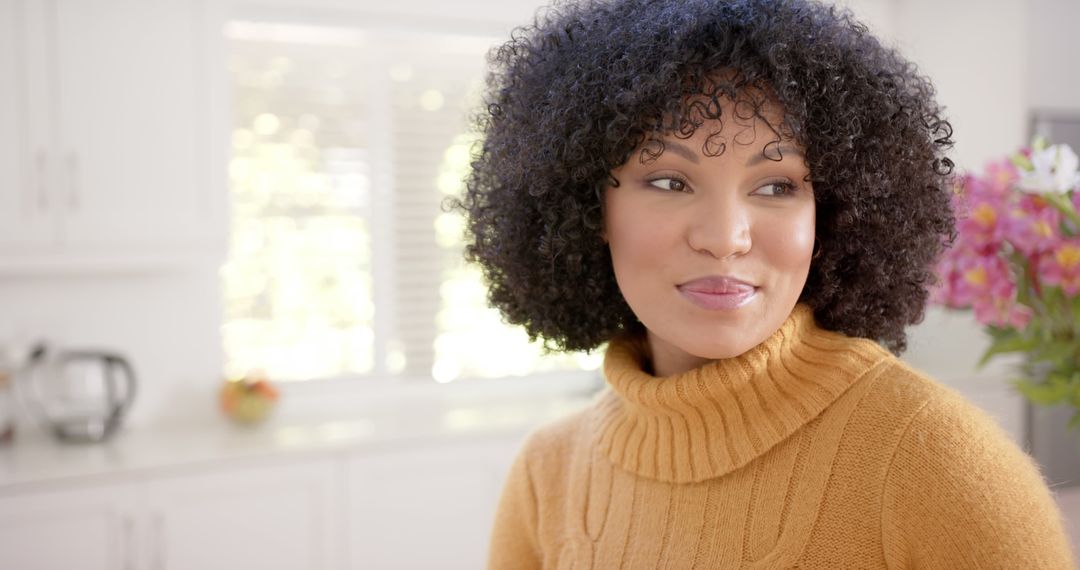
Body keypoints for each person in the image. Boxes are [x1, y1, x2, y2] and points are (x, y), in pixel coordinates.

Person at [454, 0, 1077, 567]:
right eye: (670, 181)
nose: (726, 237)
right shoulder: (548, 473)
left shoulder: (933, 459)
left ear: (831, 212)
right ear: (589, 209)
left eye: (776, 186)